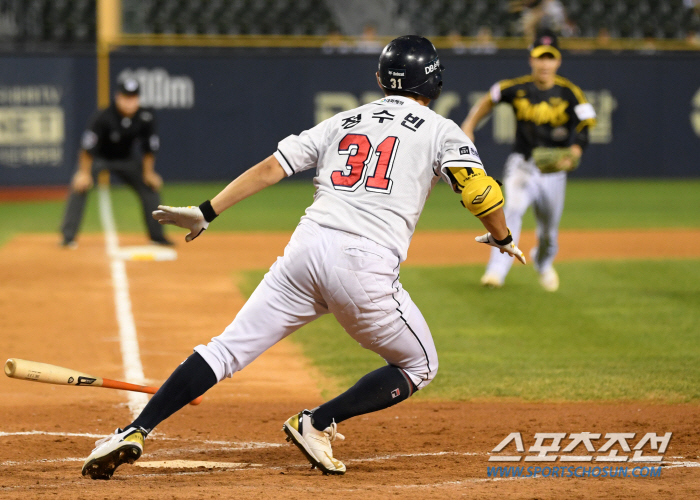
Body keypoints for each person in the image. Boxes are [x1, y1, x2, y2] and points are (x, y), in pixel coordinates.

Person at [81, 35, 525, 480]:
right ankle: (316, 422)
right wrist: (502, 237)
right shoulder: (441, 129)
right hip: (363, 265)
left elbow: (273, 167)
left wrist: (206, 211)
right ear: (435, 80)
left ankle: (134, 429)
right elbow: (479, 191)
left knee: (225, 350)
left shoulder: (345, 119)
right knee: (420, 364)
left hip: (305, 251)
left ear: (379, 79)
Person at [461, 30, 596, 292]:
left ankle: (543, 263)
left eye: (550, 58)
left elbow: (586, 124)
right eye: (540, 58)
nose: (545, 64)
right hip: (522, 165)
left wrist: (577, 150)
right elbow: (491, 97)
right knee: (511, 211)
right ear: (531, 60)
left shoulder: (570, 92)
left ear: (558, 61)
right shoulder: (517, 88)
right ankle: (495, 272)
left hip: (554, 171)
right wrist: (469, 123)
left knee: (548, 233)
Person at [60, 78, 172, 247]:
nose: (129, 102)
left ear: (138, 99)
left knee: (150, 187)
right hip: (99, 158)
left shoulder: (145, 117)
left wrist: (149, 173)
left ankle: (157, 236)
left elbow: (149, 149)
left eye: (133, 98)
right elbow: (87, 148)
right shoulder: (103, 116)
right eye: (126, 97)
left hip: (126, 159)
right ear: (117, 97)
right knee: (80, 184)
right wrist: (83, 173)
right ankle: (68, 237)